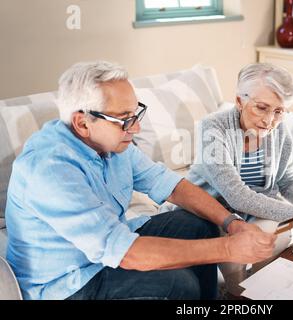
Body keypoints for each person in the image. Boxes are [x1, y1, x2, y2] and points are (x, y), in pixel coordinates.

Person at [5, 61, 276, 300]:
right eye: (124, 120)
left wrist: (233, 223)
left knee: (196, 223)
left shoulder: (111, 144)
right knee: (179, 284)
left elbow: (173, 186)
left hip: (105, 253)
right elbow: (126, 252)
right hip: (66, 284)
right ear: (83, 123)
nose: (135, 128)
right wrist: (228, 248)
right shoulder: (49, 170)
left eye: (136, 114)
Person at [187, 63, 293, 293]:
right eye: (262, 108)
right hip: (213, 211)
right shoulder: (213, 128)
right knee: (236, 252)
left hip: (251, 212)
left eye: (278, 111)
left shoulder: (279, 131)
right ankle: (237, 295)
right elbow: (237, 197)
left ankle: (260, 290)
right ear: (239, 101)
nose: (269, 121)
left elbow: (287, 180)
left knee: (280, 235)